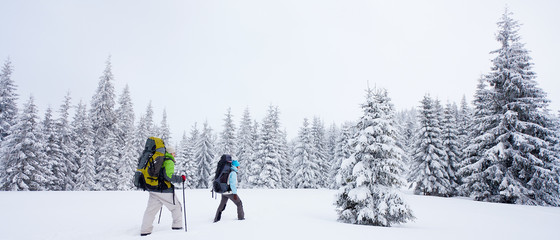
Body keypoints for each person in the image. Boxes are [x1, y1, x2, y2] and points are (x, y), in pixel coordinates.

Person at [140, 146, 186, 236]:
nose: (175, 154)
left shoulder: (159, 160)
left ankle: (145, 230)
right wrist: (181, 179)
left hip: (153, 189)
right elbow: (168, 176)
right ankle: (177, 226)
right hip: (164, 190)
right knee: (176, 207)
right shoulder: (169, 161)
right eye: (174, 153)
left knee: (150, 211)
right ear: (170, 153)